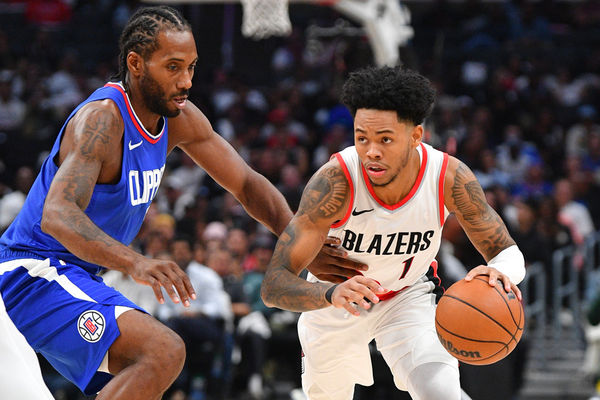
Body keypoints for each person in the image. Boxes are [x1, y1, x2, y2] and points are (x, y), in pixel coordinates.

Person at [0, 6, 363, 399]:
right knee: (161, 352)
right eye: (173, 67)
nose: (186, 80)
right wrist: (136, 261)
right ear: (136, 63)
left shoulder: (179, 118)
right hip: (33, 271)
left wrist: (301, 242)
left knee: (149, 374)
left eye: (191, 67)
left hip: (76, 275)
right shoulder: (103, 120)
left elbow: (247, 184)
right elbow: (57, 215)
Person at [261, 66, 526, 400]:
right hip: (336, 304)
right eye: (361, 138)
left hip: (407, 297)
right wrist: (330, 294)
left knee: (440, 393)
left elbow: (507, 251)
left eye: (385, 139)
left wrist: (499, 271)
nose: (371, 151)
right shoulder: (334, 182)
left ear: (416, 136)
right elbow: (273, 285)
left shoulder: (448, 177)